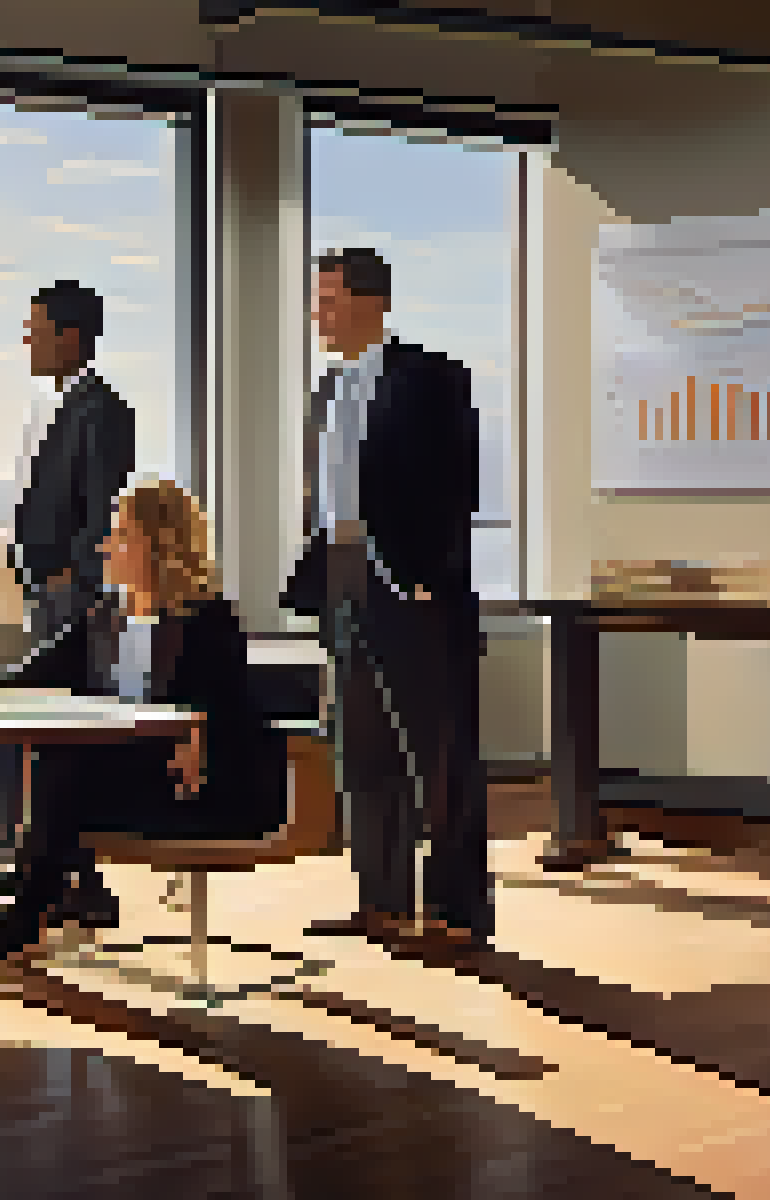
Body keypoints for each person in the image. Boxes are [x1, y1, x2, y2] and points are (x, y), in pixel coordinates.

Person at [0, 478, 280, 966]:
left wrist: (197, 729)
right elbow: (36, 673)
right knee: (61, 761)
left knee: (65, 770)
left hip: (197, 790)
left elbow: (232, 710)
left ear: (157, 542)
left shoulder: (207, 618)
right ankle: (36, 908)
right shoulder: (103, 617)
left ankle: (26, 917)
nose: (105, 545)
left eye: (120, 533)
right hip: (126, 779)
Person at [282, 248, 489, 950]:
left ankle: (458, 915)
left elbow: (458, 484)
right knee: (362, 751)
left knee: (441, 756)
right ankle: (382, 902)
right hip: (344, 577)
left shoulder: (433, 378)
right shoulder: (326, 390)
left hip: (415, 585)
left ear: (371, 302)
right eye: (317, 300)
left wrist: (429, 574)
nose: (318, 313)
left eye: (329, 299)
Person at [0, 281, 136, 922]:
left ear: (70, 335)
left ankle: (72, 880)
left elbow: (101, 513)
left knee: (59, 735)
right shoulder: (58, 407)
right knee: (26, 724)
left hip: (70, 601)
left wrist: (71, 581)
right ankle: (28, 861)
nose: (27, 338)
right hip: (41, 594)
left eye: (36, 327)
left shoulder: (102, 411)